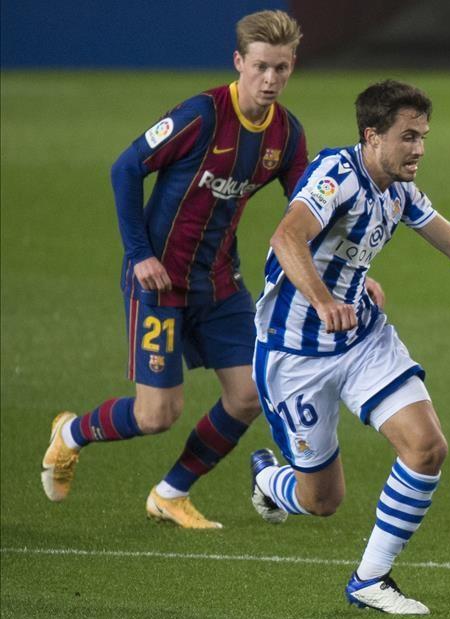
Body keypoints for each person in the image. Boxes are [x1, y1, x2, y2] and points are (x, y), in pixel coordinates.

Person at [248, 80, 450, 615]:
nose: (419, 148)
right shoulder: (335, 176)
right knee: (321, 501)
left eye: (423, 137)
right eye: (408, 137)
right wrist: (324, 300)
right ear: (371, 137)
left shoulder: (398, 190)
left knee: (426, 447)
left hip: (362, 339)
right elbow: (286, 238)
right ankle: (267, 477)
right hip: (293, 353)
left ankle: (370, 580)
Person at [39, 10, 311, 528]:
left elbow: (306, 210)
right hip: (160, 283)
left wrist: (341, 267)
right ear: (239, 62)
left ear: (292, 65)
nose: (271, 79)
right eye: (260, 67)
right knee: (156, 415)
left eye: (281, 68)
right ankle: (71, 434)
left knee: (250, 395)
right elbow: (125, 167)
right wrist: (139, 253)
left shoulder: (287, 136)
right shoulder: (201, 115)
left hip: (221, 285)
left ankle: (170, 492)